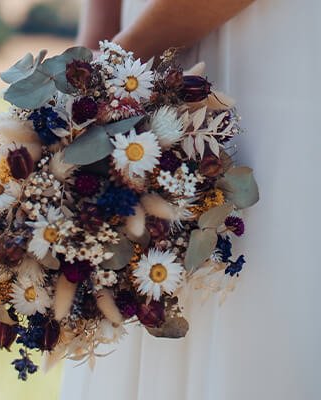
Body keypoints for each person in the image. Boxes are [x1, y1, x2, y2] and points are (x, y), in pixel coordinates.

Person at [60, 1, 321, 399]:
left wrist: (121, 55)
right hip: (137, 69)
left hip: (264, 68)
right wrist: (83, 80)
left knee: (257, 297)